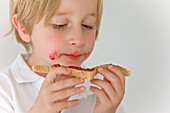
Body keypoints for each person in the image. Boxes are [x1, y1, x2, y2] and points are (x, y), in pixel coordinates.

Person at [0, 0, 126, 113]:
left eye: (87, 25)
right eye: (60, 25)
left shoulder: (101, 92)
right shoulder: (4, 90)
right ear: (23, 28)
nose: (79, 39)